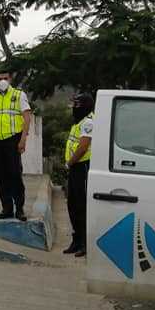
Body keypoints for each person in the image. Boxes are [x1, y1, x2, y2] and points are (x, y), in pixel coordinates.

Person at [0, 71, 32, 221]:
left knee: (14, 174)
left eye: (5, 78)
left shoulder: (19, 95)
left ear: (10, 79)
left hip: (13, 139)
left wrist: (23, 139)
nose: (3, 81)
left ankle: (19, 208)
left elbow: (26, 117)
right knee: (0, 176)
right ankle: (7, 208)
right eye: (0, 78)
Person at [63, 93, 94, 257]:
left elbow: (83, 147)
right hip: (75, 167)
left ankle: (84, 242)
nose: (73, 108)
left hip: (82, 166)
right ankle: (76, 240)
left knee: (81, 205)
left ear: (84, 106)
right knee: (72, 204)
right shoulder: (79, 121)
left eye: (76, 104)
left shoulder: (88, 122)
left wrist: (69, 163)